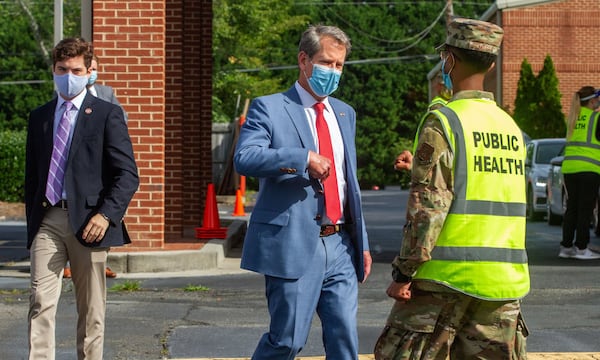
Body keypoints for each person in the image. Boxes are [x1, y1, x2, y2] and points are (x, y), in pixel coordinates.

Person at [374, 18, 530, 359]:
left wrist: (404, 272)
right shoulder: (510, 128)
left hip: (443, 281)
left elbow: (429, 208)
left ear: (449, 61)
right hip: (502, 284)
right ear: (490, 64)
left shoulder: (445, 120)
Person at [233, 24, 371, 359]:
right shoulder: (270, 107)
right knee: (288, 341)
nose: (333, 71)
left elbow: (348, 184)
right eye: (326, 62)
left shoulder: (344, 113)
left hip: (340, 243)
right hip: (295, 242)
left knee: (345, 341)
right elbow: (245, 158)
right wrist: (301, 158)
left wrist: (362, 244)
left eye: (339, 65)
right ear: (303, 60)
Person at [25, 37, 139, 359]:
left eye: (76, 69)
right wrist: (32, 221)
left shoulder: (106, 114)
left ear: (90, 71)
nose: (68, 76)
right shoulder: (40, 117)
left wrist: (105, 215)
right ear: (53, 69)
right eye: (62, 69)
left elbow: (127, 175)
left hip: (90, 224)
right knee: (40, 303)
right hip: (48, 220)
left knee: (90, 310)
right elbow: (32, 176)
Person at [63, 53, 127, 279]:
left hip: (101, 170)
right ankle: (68, 263)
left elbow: (121, 118)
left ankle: (102, 262)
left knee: (99, 226)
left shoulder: (106, 94)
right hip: (76, 171)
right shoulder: (64, 97)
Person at [558, 86, 600, 260]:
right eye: (597, 98)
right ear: (591, 101)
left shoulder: (573, 117)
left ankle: (566, 247)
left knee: (572, 209)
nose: (598, 101)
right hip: (589, 169)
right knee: (585, 210)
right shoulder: (596, 118)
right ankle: (582, 248)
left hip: (569, 169)